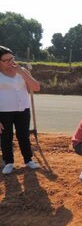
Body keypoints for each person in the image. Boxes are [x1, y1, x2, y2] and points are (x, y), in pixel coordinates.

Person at [0, 45, 41, 174]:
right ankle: (8, 162)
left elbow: (36, 87)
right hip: (3, 111)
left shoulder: (22, 71)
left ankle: (28, 159)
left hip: (23, 108)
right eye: (5, 60)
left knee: (23, 135)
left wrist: (22, 72)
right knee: (6, 136)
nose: (10, 62)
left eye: (11, 58)